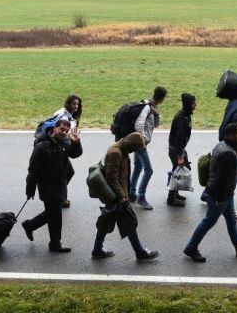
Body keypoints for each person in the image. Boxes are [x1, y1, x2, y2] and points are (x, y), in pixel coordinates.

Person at [183, 123, 237, 263]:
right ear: (230, 136)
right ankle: (191, 247)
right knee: (208, 221)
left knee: (232, 219)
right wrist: (219, 199)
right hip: (220, 195)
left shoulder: (221, 145)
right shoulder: (228, 154)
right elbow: (222, 179)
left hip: (223, 194)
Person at [91, 132, 159, 261]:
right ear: (131, 145)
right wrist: (122, 196)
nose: (136, 151)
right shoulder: (116, 153)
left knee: (108, 222)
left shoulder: (122, 149)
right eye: (136, 148)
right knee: (128, 223)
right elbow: (112, 178)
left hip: (117, 194)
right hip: (116, 196)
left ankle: (97, 249)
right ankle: (139, 252)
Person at [22, 118, 83, 253]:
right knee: (56, 216)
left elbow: (75, 154)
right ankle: (55, 244)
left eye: (66, 130)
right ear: (54, 129)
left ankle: (30, 225)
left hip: (59, 184)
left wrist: (76, 142)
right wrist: (30, 189)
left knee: (52, 213)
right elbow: (33, 170)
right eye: (61, 129)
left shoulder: (65, 142)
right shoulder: (42, 147)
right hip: (47, 186)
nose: (64, 132)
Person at [128, 86, 167, 210]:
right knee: (149, 170)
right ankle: (141, 197)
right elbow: (138, 124)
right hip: (140, 143)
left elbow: (155, 124)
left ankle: (131, 193)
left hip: (140, 142)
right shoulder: (146, 106)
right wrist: (143, 140)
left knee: (138, 168)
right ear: (162, 98)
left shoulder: (153, 107)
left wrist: (157, 114)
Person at [50, 94, 83, 208]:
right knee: (66, 173)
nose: (76, 106)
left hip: (59, 147)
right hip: (58, 149)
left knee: (67, 173)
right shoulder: (64, 116)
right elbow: (62, 134)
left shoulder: (65, 113)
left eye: (78, 104)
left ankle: (60, 197)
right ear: (68, 104)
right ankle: (60, 198)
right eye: (74, 103)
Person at [167, 93, 196, 207]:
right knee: (177, 173)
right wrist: (180, 156)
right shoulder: (182, 118)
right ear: (189, 104)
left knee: (182, 169)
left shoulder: (185, 115)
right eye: (193, 103)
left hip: (179, 149)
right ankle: (171, 198)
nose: (195, 105)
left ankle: (175, 193)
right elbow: (179, 138)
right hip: (177, 150)